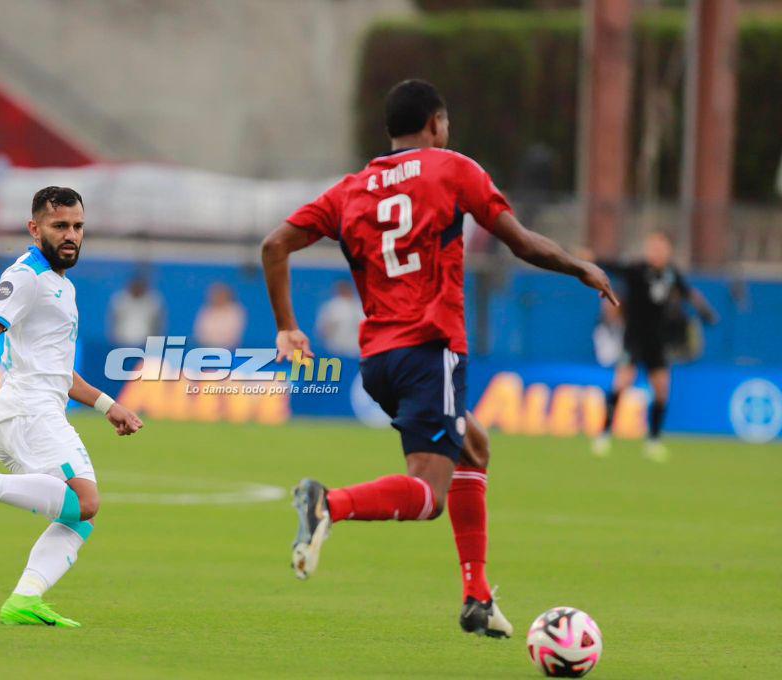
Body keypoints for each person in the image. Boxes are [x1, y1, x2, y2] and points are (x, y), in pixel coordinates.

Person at [261, 79, 616, 638]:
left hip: (378, 361)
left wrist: (288, 327)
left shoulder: (351, 189)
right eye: (444, 124)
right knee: (427, 493)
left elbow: (274, 245)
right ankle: (330, 503)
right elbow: (519, 242)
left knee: (475, 446)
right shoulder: (453, 168)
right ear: (435, 124)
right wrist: (581, 267)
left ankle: (476, 598)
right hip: (430, 349)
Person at [0, 186, 144, 628]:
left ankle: (25, 599)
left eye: (77, 226)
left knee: (78, 518)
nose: (71, 235)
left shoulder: (62, 286)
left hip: (41, 409)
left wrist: (107, 405)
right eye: (60, 226)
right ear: (34, 228)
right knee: (85, 501)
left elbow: (59, 372)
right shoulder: (26, 276)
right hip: (25, 411)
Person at [591, 230, 717, 461]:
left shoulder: (671, 274)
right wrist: (589, 259)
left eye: (660, 248)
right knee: (622, 383)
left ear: (668, 251)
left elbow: (689, 293)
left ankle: (654, 440)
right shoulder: (637, 270)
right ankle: (604, 434)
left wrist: (706, 312)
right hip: (634, 338)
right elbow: (612, 267)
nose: (656, 252)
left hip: (658, 341)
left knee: (661, 391)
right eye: (652, 247)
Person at [108, 275, 166, 347]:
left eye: (140, 287)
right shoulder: (120, 300)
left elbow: (158, 325)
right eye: (135, 287)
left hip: (145, 344)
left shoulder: (153, 302)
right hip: (122, 343)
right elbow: (113, 322)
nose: (137, 290)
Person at [316, 280, 364, 357]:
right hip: (336, 351)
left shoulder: (360, 306)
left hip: (356, 351)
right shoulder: (332, 307)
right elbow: (322, 330)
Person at [194, 282, 246, 348]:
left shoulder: (236, 311)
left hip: (227, 349)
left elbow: (232, 337)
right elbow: (199, 332)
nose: (215, 297)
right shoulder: (206, 309)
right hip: (206, 347)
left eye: (219, 295)